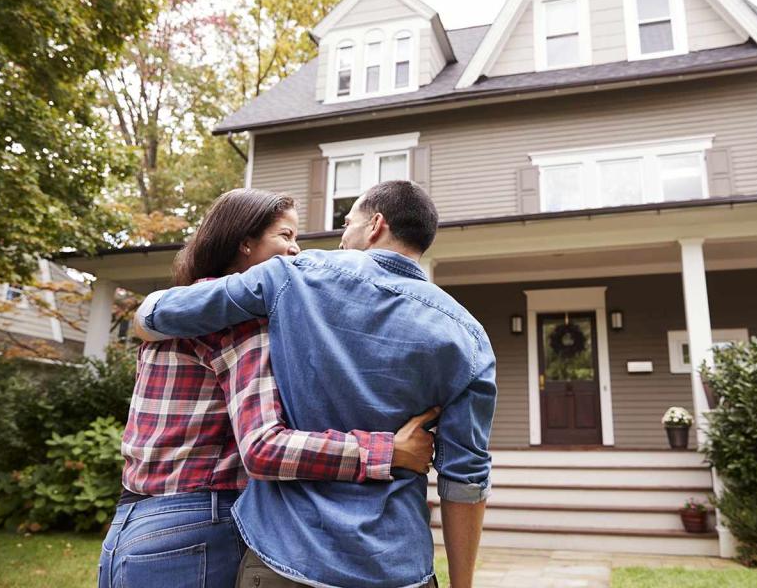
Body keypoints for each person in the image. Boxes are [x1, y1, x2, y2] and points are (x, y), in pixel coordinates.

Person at [135, 180, 496, 588]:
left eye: (347, 223)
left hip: (286, 558)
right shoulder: (469, 337)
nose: (341, 238)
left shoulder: (292, 277)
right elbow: (465, 479)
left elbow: (160, 314)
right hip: (396, 565)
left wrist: (145, 315)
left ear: (375, 225)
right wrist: (461, 583)